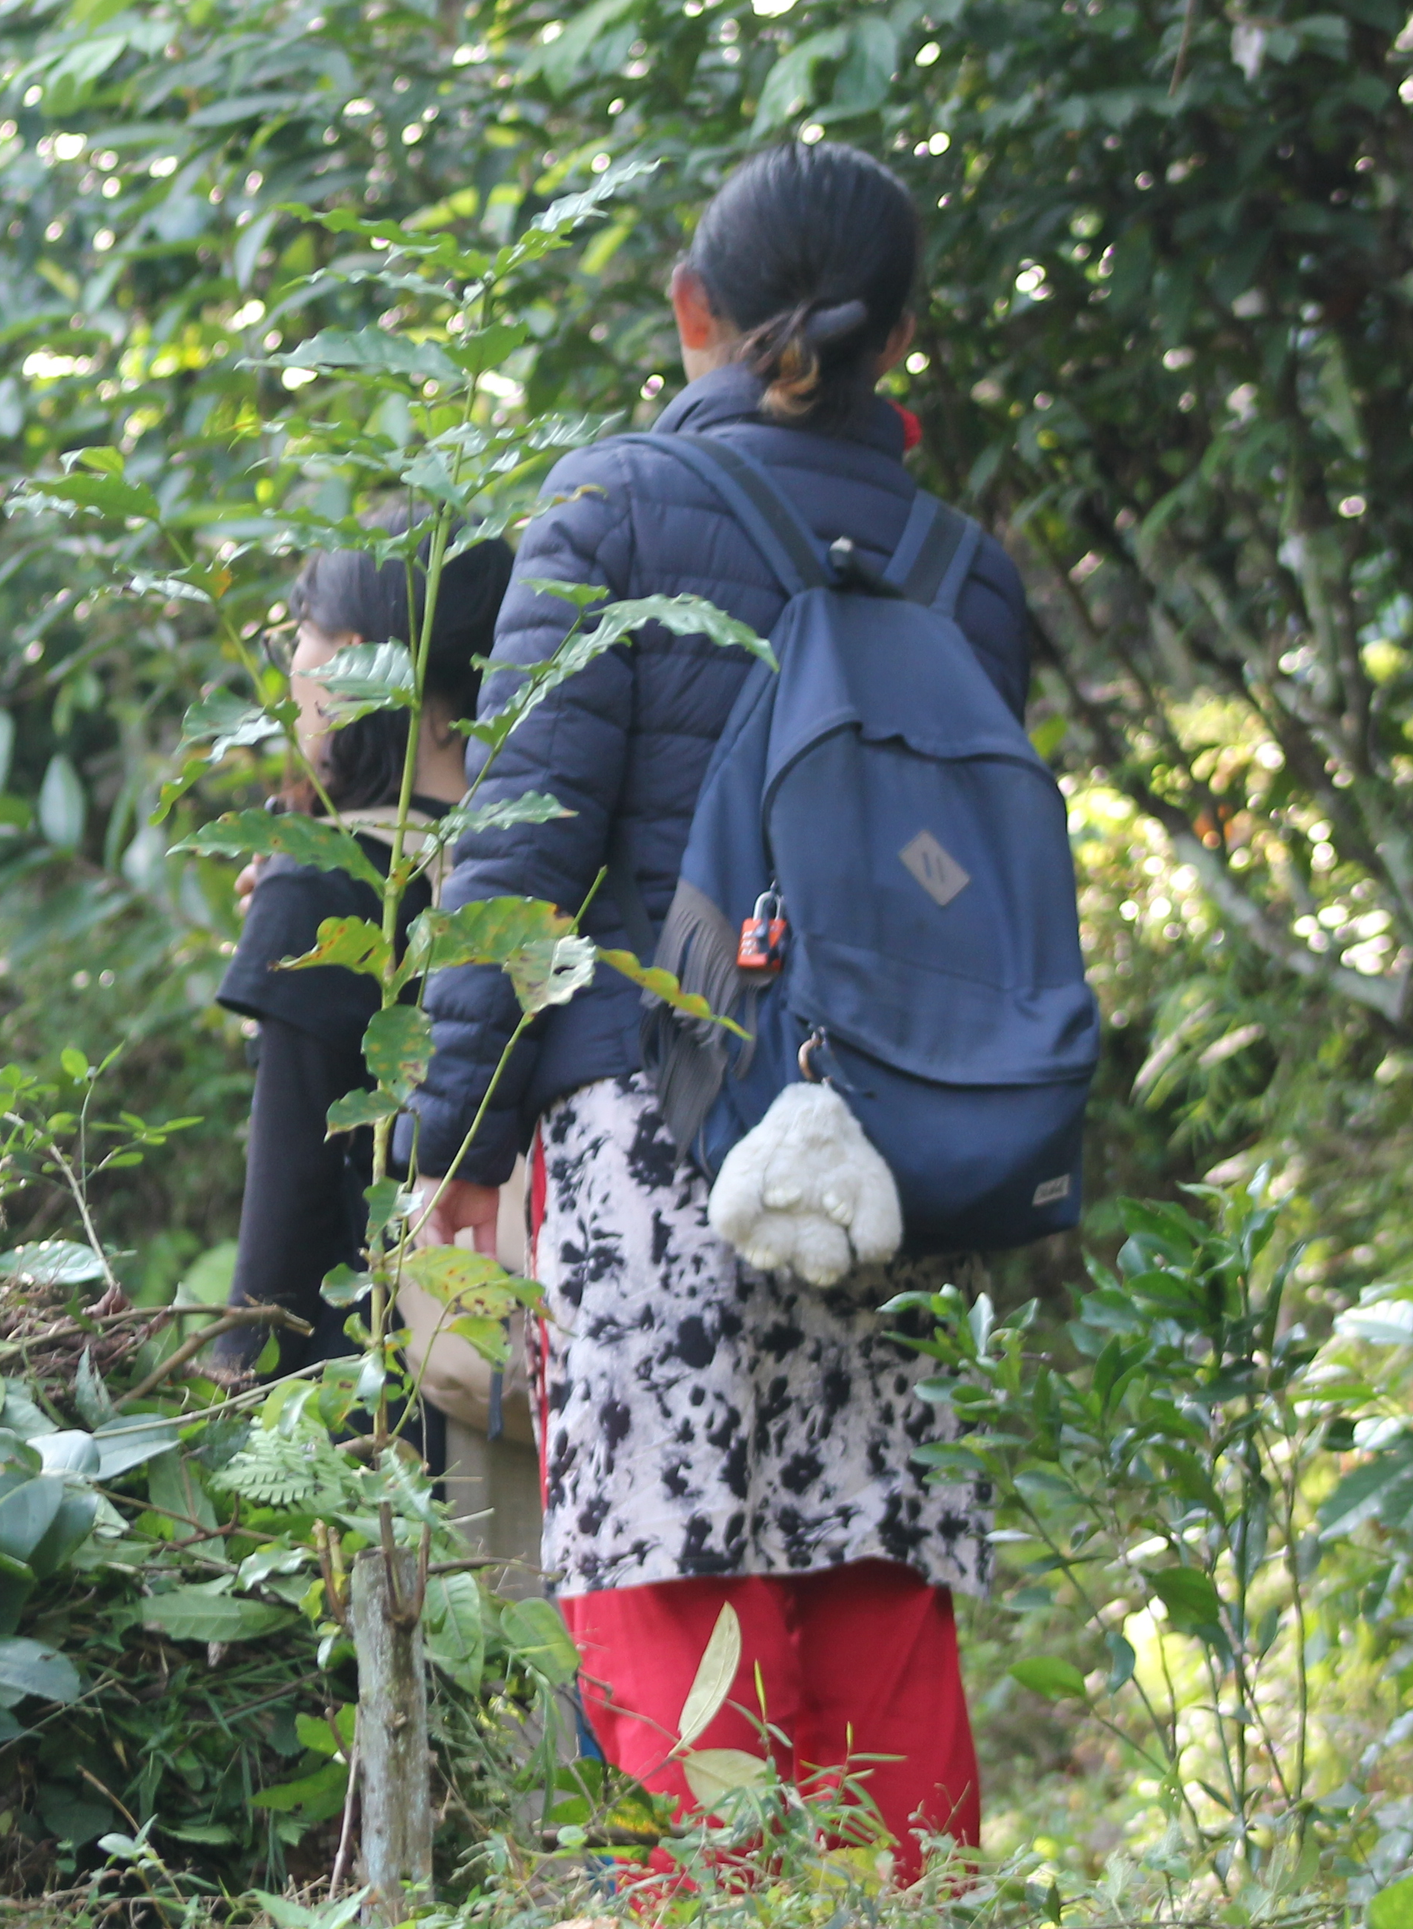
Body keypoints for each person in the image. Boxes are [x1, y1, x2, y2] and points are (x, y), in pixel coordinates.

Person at [406, 144, 1029, 1876]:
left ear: (695, 312)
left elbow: (517, 843)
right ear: (904, 333)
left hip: (647, 1132)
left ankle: (712, 1908)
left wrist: (456, 1139)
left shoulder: (607, 507)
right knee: (875, 1575)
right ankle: (915, 1906)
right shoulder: (965, 573)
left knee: (676, 1589)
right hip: (891, 1150)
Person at [217, 525, 515, 1379]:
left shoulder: (322, 886)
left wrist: (235, 1391)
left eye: (296, 635)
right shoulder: (541, 875)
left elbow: (285, 1232)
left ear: (351, 657)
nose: (288, 665)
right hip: (528, 1379)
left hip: (371, 1417)